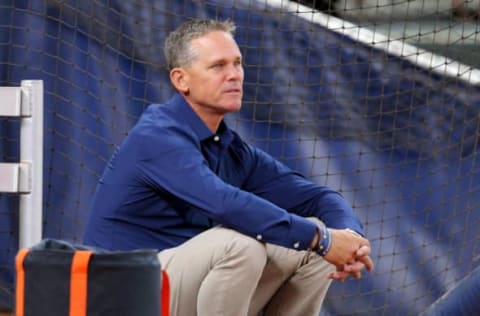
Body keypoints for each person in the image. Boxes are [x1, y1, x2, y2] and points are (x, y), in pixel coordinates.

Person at [83, 18, 374, 316]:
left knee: (313, 249)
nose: (234, 75)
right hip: (119, 297)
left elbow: (319, 198)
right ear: (181, 79)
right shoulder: (157, 136)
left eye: (237, 64)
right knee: (239, 245)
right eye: (218, 66)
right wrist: (323, 240)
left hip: (173, 290)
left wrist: (347, 238)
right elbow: (226, 204)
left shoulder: (230, 148)